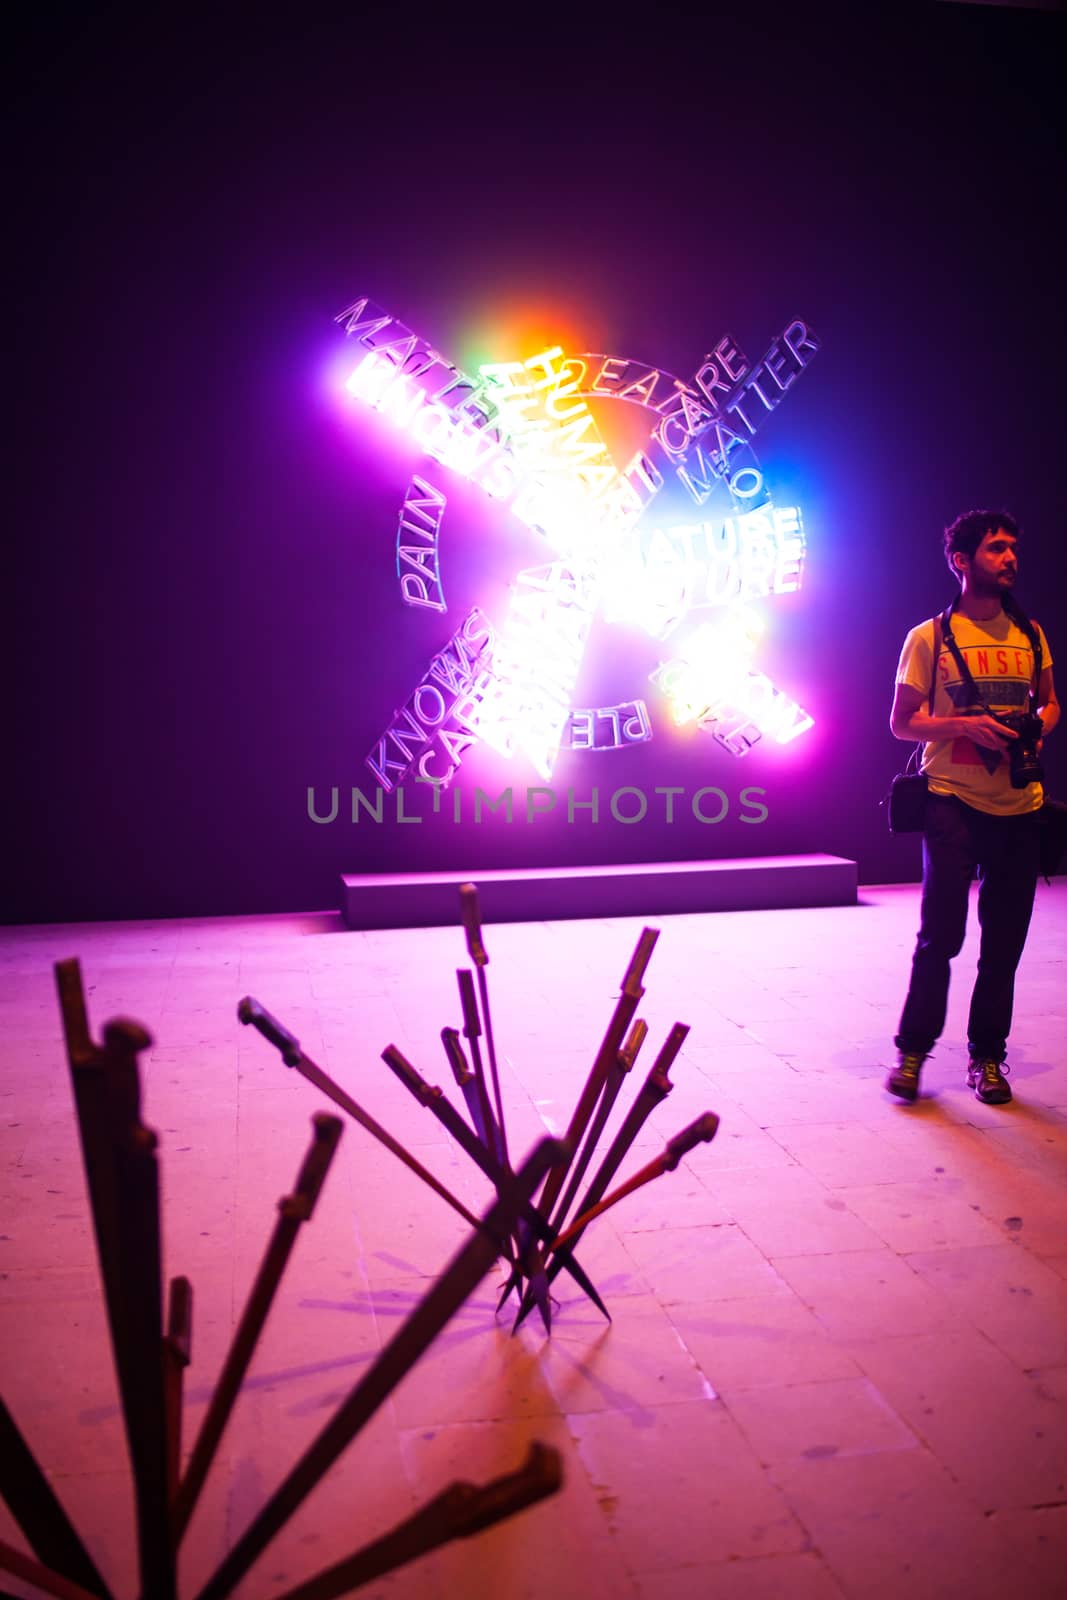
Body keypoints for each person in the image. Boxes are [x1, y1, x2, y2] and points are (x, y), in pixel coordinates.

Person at [887, 510, 1059, 1105]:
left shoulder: (1030, 635)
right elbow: (901, 722)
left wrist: (1037, 727)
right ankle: (912, 1053)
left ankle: (987, 1058)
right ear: (962, 561)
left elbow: (1051, 703)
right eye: (995, 549)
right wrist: (965, 725)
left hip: (1020, 804)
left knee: (1004, 942)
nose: (1010, 558)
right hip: (952, 801)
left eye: (1013, 548)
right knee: (942, 936)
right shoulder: (929, 637)